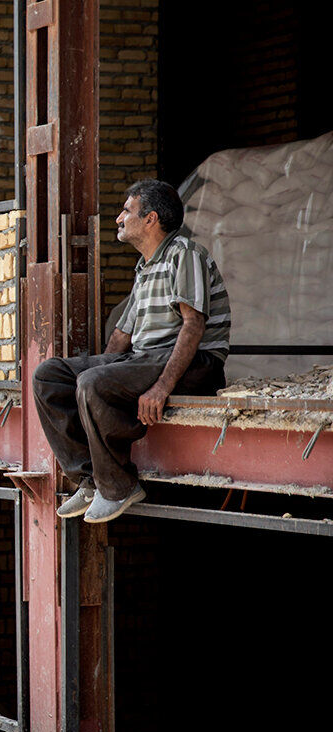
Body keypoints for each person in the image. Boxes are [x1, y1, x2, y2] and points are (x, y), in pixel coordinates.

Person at [32, 180, 231, 523]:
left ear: (151, 218)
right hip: (145, 359)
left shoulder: (184, 253)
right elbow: (122, 336)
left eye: (127, 210)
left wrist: (160, 388)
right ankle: (91, 479)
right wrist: (107, 368)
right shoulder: (145, 267)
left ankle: (118, 485)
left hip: (193, 364)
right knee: (48, 376)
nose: (118, 219)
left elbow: (193, 326)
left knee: (93, 383)